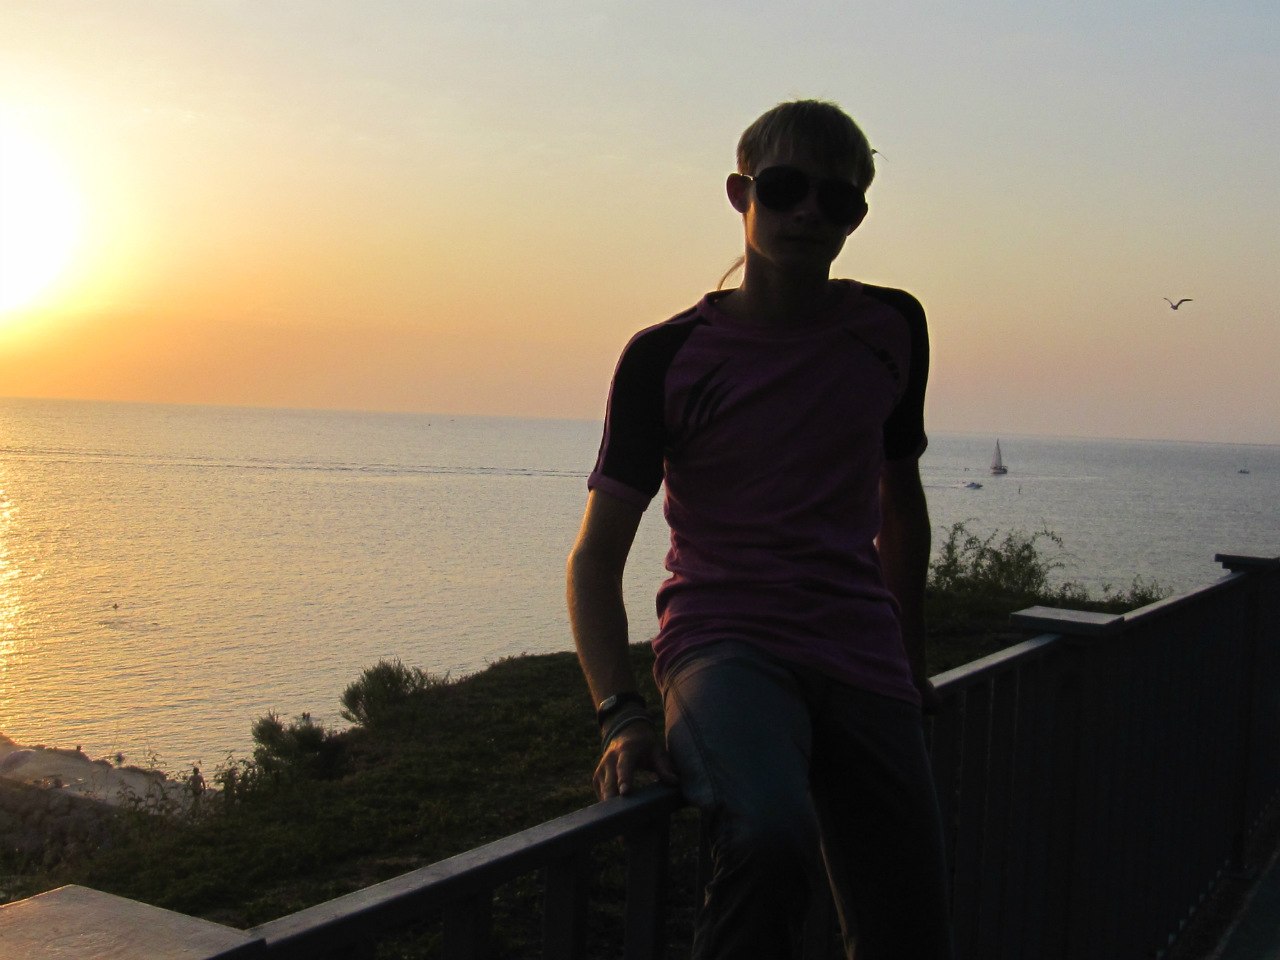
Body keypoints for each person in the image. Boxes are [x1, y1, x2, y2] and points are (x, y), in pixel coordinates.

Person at [566, 99, 954, 960]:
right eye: (784, 189)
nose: (809, 211)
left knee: (910, 930)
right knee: (769, 836)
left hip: (860, 649)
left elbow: (900, 505)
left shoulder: (892, 328)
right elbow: (595, 561)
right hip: (725, 645)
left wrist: (910, 662)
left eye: (836, 198)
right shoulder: (666, 358)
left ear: (858, 216)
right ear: (740, 193)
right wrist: (622, 716)